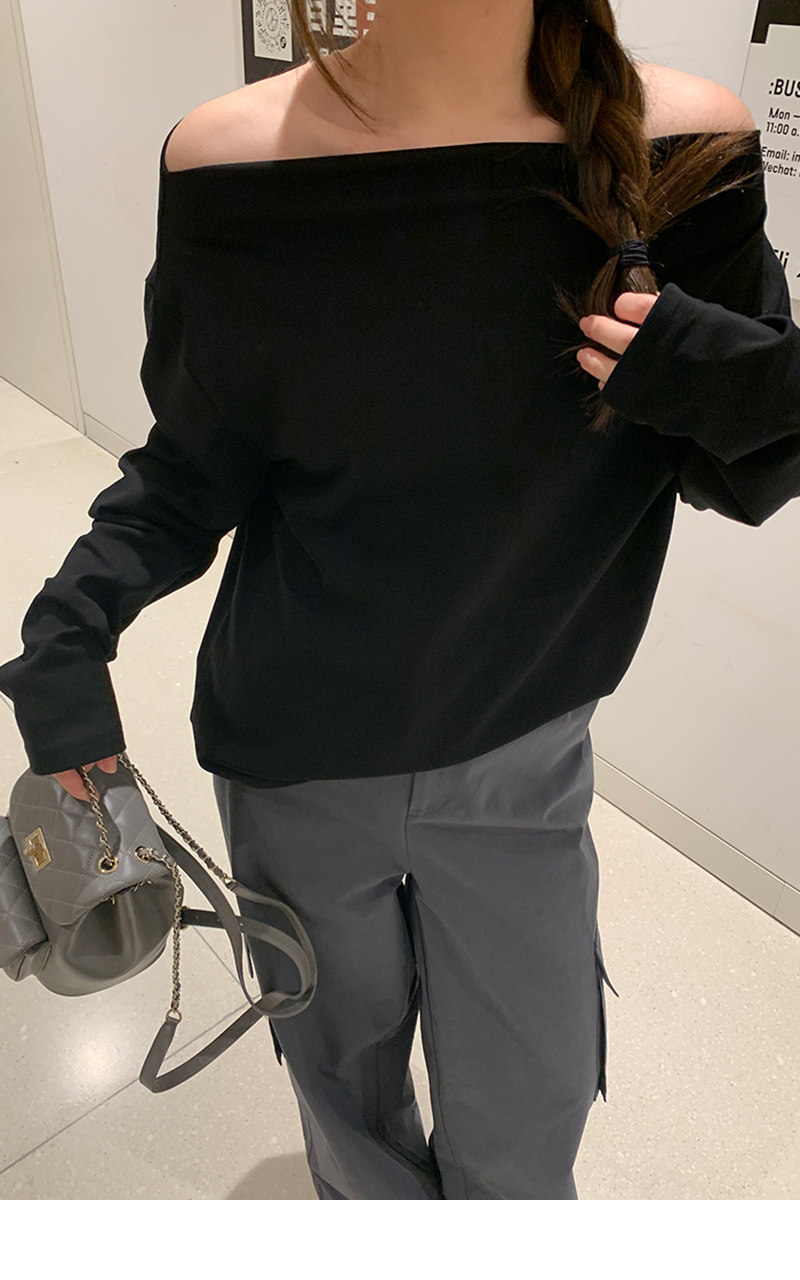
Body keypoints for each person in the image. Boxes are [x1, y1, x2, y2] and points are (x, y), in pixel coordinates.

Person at [1, 0, 799, 1199]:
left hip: (522, 754)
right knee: (348, 1112)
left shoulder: (684, 148)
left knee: (524, 1130)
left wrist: (712, 369)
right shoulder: (229, 161)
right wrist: (66, 637)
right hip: (293, 755)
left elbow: (751, 468)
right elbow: (194, 466)